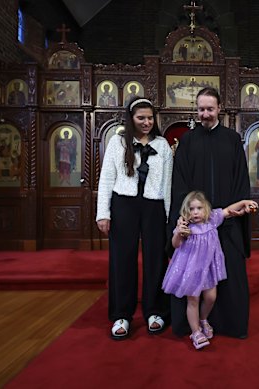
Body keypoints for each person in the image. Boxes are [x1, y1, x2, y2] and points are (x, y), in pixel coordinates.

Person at [168, 86, 252, 339]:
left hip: (225, 223)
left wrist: (239, 207)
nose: (205, 114)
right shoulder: (188, 141)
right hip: (196, 225)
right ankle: (191, 326)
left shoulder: (231, 139)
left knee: (231, 273)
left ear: (219, 109)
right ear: (197, 110)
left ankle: (229, 324)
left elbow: (241, 179)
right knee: (194, 278)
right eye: (201, 109)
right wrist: (185, 215)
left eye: (210, 109)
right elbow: (179, 181)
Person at [96, 97, 172, 340]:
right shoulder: (117, 143)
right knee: (122, 258)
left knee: (155, 258)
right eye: (141, 118)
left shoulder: (163, 145)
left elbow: (168, 184)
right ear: (131, 119)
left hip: (154, 205)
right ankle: (122, 314)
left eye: (150, 118)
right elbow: (107, 178)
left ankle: (155, 311)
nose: (147, 122)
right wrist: (103, 213)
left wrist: (170, 217)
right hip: (124, 204)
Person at [162, 191, 258, 350]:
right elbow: (175, 244)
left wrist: (243, 202)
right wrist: (179, 232)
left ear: (205, 209)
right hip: (191, 270)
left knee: (211, 297)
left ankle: (203, 319)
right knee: (192, 300)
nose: (195, 212)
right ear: (186, 210)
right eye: (191, 209)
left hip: (208, 268)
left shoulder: (212, 219)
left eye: (199, 208)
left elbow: (228, 211)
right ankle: (195, 332)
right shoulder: (185, 226)